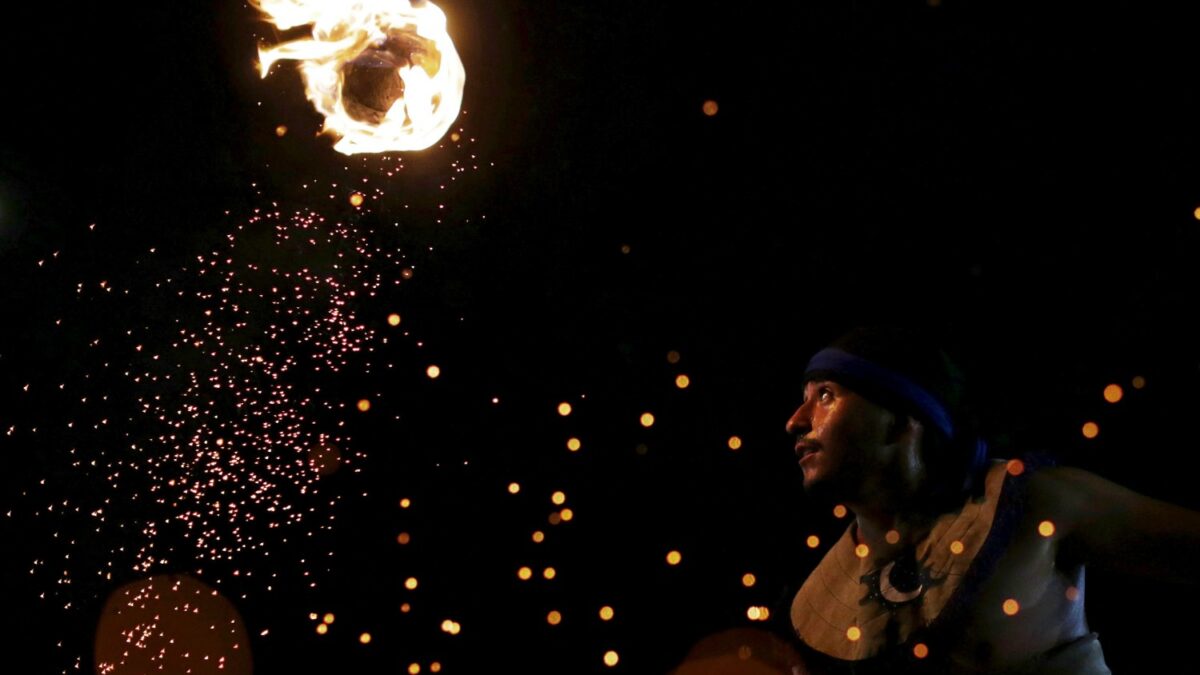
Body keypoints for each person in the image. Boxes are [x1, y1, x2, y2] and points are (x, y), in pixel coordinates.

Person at [782, 327, 1200, 674]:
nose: (795, 422)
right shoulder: (812, 603)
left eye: (825, 396)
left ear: (901, 421)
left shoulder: (1036, 502)